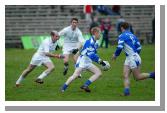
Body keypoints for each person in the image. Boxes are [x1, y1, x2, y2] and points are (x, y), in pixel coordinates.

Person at [111, 22, 155, 96]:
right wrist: (135, 54)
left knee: (137, 77)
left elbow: (119, 47)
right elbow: (139, 47)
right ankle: (126, 92)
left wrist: (115, 55)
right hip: (131, 57)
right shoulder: (133, 36)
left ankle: (153, 75)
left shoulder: (122, 36)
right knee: (125, 75)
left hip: (132, 58)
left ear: (122, 28)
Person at [61, 27, 108, 93]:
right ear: (95, 33)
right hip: (82, 62)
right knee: (75, 76)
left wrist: (77, 49)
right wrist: (101, 62)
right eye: (100, 33)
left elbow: (84, 45)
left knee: (98, 73)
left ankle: (85, 85)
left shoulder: (95, 43)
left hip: (88, 62)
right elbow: (91, 55)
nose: (100, 35)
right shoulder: (90, 42)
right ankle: (63, 88)